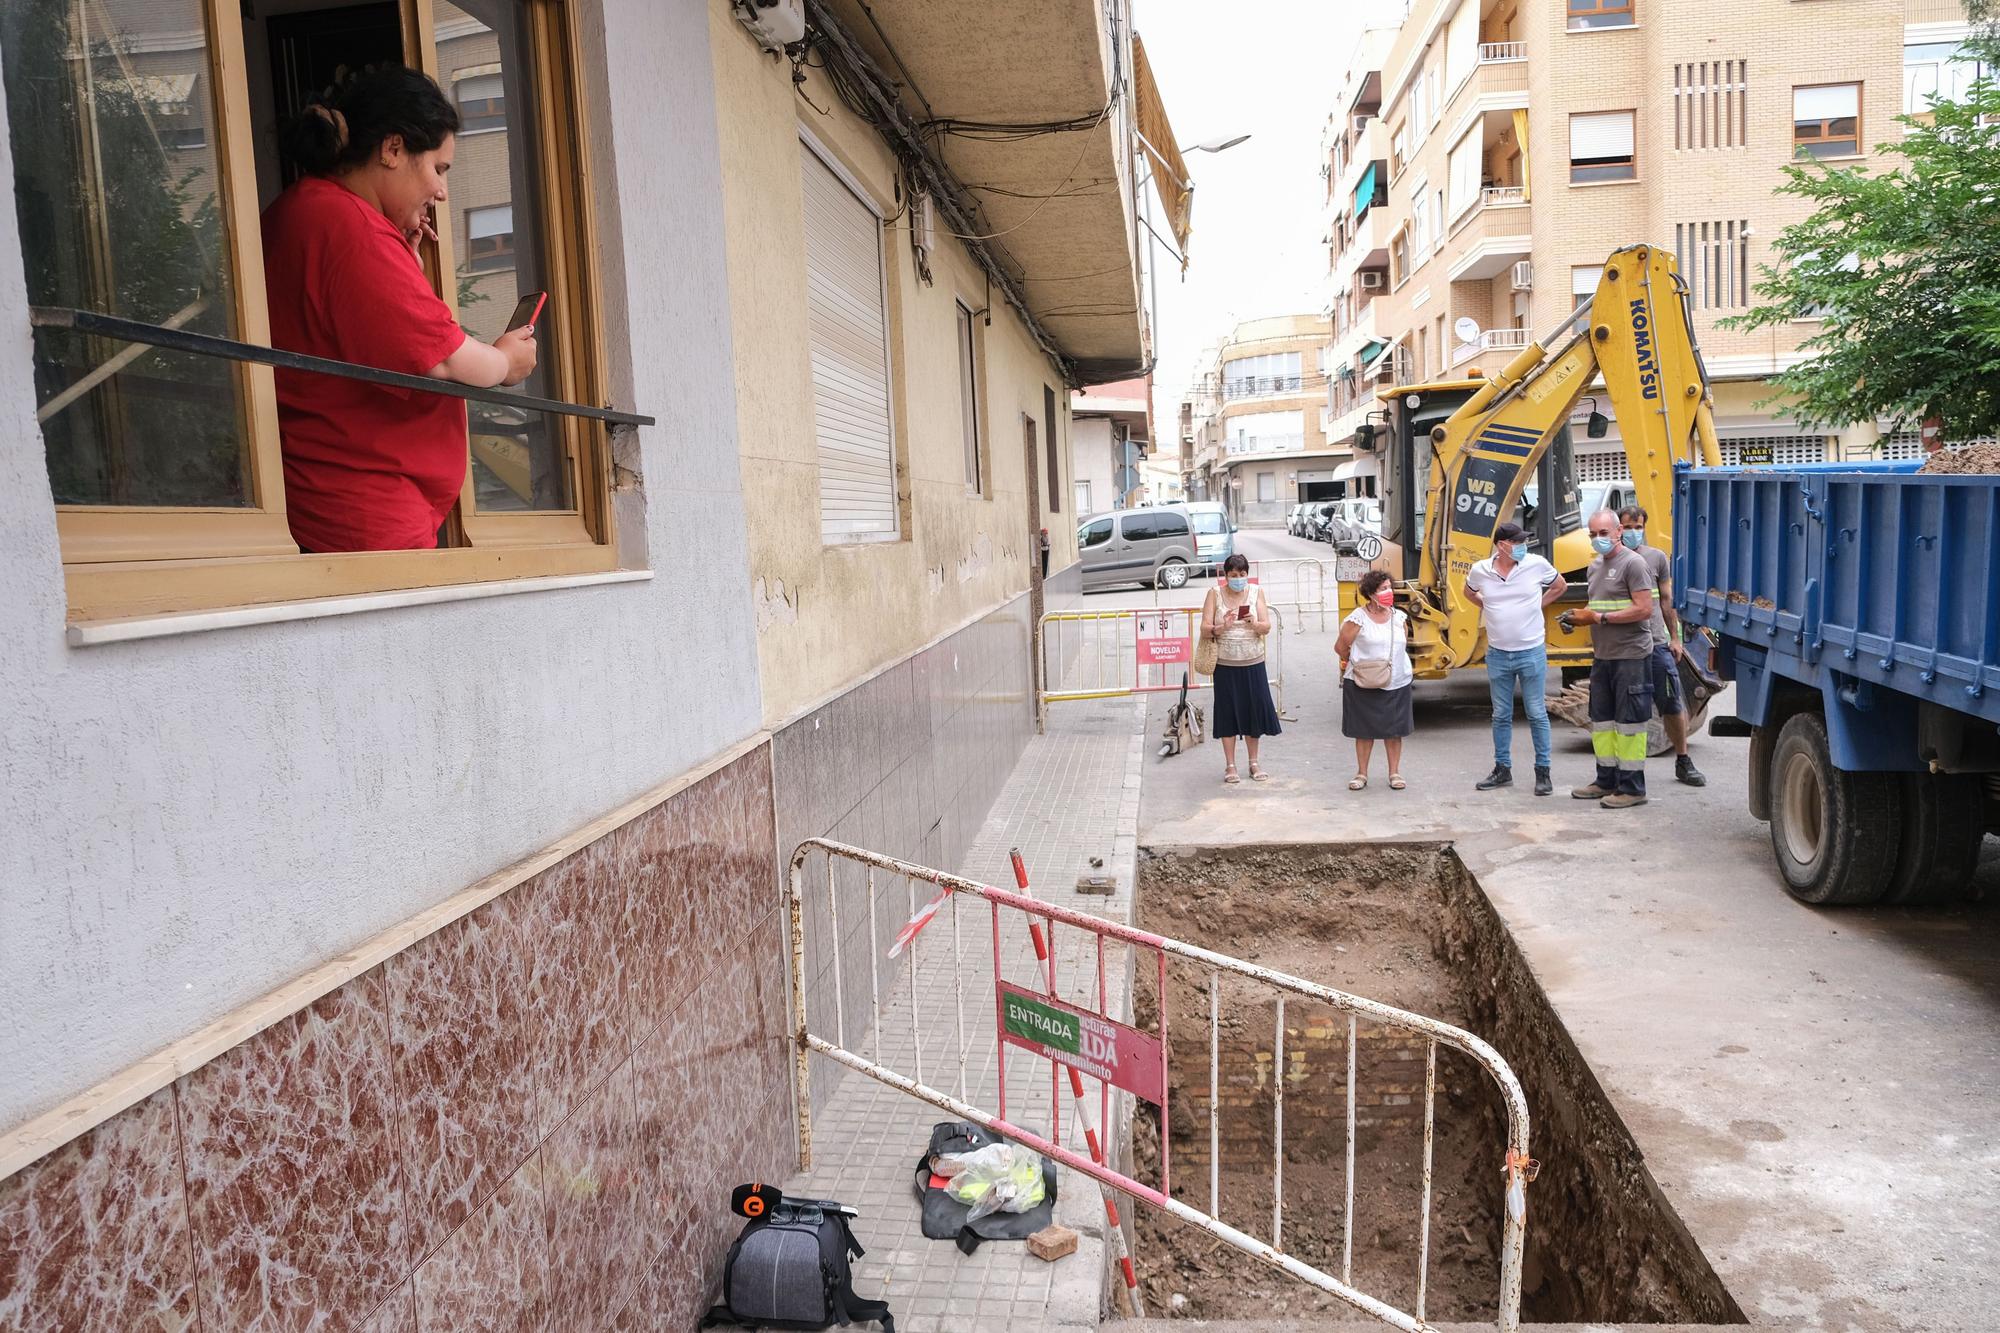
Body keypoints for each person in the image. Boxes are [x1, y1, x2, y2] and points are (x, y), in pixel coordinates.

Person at [263, 66, 538, 553]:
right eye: (439, 168)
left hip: (349, 498)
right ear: (392, 150)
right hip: (366, 506)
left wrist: (404, 260)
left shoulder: (310, 212)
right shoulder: (348, 226)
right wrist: (505, 363)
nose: (442, 191)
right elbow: (445, 357)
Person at [1563, 509, 1658, 808]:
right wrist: (1576, 619)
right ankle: (1606, 780)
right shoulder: (1594, 568)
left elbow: (1644, 609)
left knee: (1630, 723)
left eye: (1603, 533)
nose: (1597, 539)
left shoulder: (1634, 564)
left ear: (1618, 532)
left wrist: (1599, 617)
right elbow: (1596, 608)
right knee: (1601, 721)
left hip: (1631, 655)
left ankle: (1633, 787)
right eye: (1592, 534)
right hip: (1603, 656)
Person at [1464, 522, 1567, 795]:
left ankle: (1543, 772)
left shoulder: (1536, 564)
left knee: (1536, 713)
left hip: (1531, 651)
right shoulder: (1481, 571)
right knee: (1500, 714)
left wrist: (1537, 604)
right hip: (1498, 654)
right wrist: (1488, 605)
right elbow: (1468, 591)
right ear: (1501, 545)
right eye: (1517, 542)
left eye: (1523, 542)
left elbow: (1559, 586)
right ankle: (1502, 769)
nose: (1522, 546)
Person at [1618, 505, 1706, 787]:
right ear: (1619, 528)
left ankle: (1683, 760)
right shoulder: (1609, 560)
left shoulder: (1656, 558)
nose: (1633, 532)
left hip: (1657, 644)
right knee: (1627, 708)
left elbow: (1666, 601)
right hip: (1625, 647)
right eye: (1628, 527)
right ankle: (1626, 770)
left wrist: (1675, 638)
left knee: (1671, 702)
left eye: (1638, 527)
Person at [1202, 553, 1281, 784]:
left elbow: (1266, 626)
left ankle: (1254, 762)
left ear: (1247, 574)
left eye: (1242, 574)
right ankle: (1230, 765)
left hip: (1253, 661)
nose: (1238, 579)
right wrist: (1221, 626)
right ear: (1225, 576)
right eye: (1233, 575)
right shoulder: (1214, 594)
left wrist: (1254, 624)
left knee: (1253, 711)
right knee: (1227, 712)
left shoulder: (1257, 592)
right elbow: (1204, 628)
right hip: (1225, 663)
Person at [1336, 569, 1414, 790]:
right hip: (1363, 681)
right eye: (1383, 589)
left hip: (1397, 680)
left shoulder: (1399, 618)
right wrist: (1362, 666)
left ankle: (1394, 773)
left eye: (1390, 588)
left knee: (1394, 730)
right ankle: (1361, 773)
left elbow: (1402, 644)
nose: (1388, 592)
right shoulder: (1357, 619)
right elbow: (1341, 647)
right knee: (1364, 731)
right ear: (1371, 594)